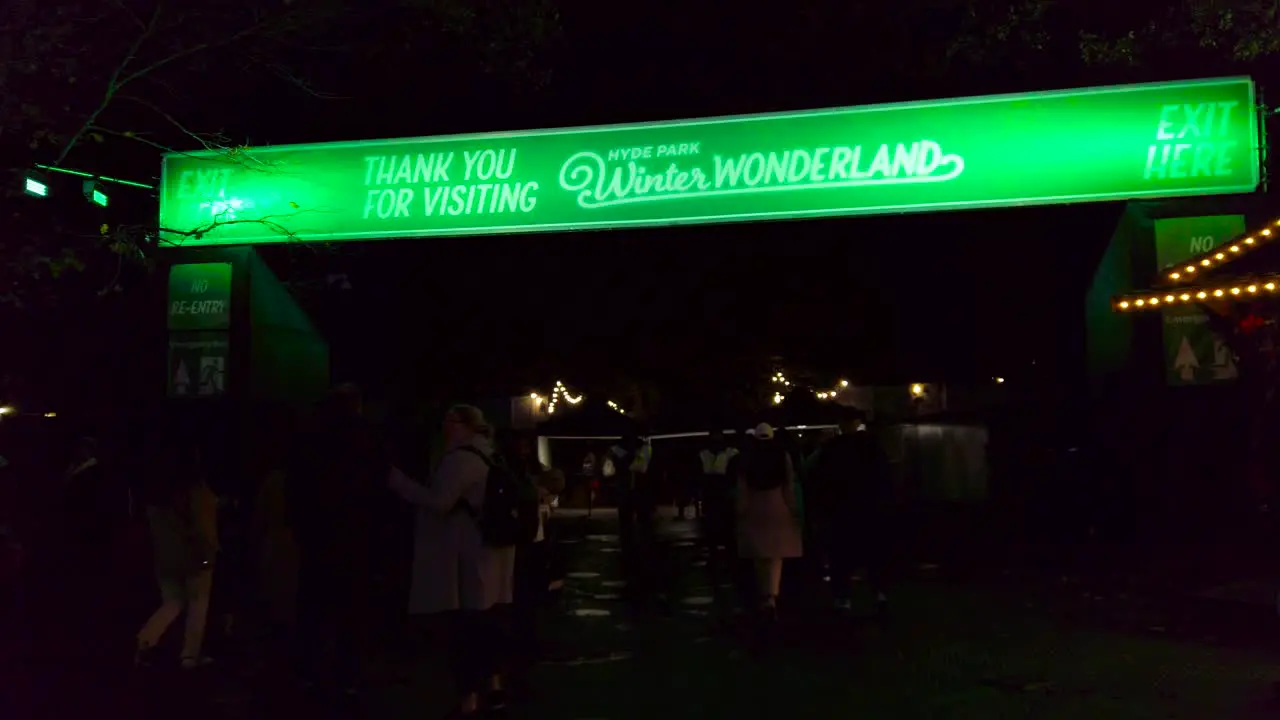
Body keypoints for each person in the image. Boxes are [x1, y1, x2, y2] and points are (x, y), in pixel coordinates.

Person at [390, 405, 516, 717]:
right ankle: (494, 688)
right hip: (494, 552)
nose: (444, 427)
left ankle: (468, 701)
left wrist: (399, 483)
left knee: (467, 631)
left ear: (464, 426)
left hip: (468, 556)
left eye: (450, 421)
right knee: (488, 625)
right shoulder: (491, 455)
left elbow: (439, 502)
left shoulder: (460, 459)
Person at [287, 384, 386, 696]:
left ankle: (308, 670)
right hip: (354, 535)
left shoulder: (311, 438)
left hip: (318, 534)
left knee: (314, 606)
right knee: (351, 609)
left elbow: (297, 488)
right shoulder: (365, 439)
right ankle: (347, 673)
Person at [135, 441, 219, 669]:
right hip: (193, 556)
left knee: (172, 602)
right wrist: (208, 552)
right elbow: (202, 528)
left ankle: (146, 640)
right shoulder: (195, 491)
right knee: (198, 605)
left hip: (164, 558)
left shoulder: (156, 493)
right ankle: (190, 655)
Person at [808, 410, 894, 616]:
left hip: (841, 510)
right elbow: (885, 477)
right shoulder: (872, 447)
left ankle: (843, 597)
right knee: (874, 552)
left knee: (841, 555)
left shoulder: (832, 448)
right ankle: (879, 593)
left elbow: (818, 478)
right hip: (869, 509)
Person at [736, 423, 802, 625]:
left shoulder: (746, 459)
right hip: (777, 505)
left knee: (758, 554)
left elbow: (742, 486)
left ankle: (764, 596)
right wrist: (793, 508)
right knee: (775, 556)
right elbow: (788, 485)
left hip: (754, 505)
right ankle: (772, 596)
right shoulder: (782, 457)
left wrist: (740, 509)